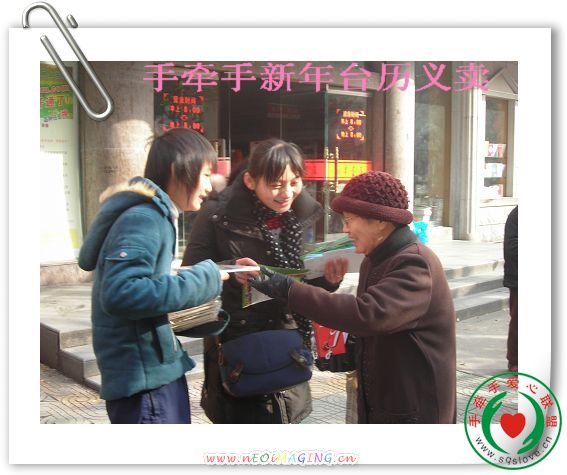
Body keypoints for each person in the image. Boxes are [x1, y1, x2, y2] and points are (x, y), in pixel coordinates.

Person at [250, 170, 457, 424]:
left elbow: (367, 315)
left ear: (380, 221)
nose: (345, 229)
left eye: (349, 220)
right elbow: (378, 328)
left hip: (415, 411)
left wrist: (288, 288)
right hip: (385, 402)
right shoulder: (375, 259)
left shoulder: (415, 263)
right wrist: (349, 352)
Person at [183, 138, 346, 423]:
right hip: (240, 350)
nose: (287, 193)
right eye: (275, 184)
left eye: (294, 182)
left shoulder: (299, 214)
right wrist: (230, 273)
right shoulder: (217, 214)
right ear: (250, 181)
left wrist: (328, 281)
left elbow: (300, 282)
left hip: (290, 346)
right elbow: (190, 276)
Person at [78, 128, 229, 424]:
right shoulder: (144, 218)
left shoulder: (153, 215)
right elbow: (122, 293)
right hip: (145, 383)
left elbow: (143, 285)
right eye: (205, 174)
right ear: (177, 170)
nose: (209, 186)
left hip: (151, 374)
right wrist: (205, 279)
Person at [503, 206, 518, 372]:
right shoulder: (517, 215)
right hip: (518, 278)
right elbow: (512, 247)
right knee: (518, 320)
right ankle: (514, 360)